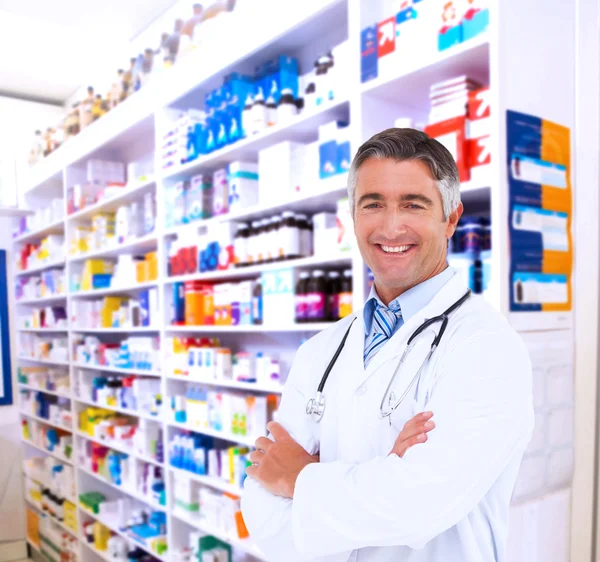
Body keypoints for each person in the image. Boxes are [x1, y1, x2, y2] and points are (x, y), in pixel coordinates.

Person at [241, 128, 534, 561]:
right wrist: (383, 473)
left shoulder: (486, 347)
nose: (390, 226)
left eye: (413, 205)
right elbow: (261, 503)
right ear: (353, 219)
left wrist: (302, 476)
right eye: (372, 204)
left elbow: (418, 506)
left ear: (451, 218)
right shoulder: (319, 352)